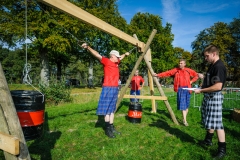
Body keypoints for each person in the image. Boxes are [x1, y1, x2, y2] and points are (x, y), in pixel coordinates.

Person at [81, 42, 129, 138]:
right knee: (107, 110)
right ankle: (107, 129)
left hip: (115, 88)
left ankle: (111, 127)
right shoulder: (106, 61)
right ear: (112, 56)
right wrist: (88, 47)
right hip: (108, 88)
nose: (118, 58)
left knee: (112, 109)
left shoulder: (116, 62)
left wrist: (125, 54)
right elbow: (97, 54)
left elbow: (121, 58)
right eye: (117, 56)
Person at [194, 45, 227, 158]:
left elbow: (218, 86)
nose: (205, 58)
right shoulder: (212, 66)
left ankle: (222, 149)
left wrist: (201, 90)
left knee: (217, 123)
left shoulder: (219, 66)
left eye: (207, 56)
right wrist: (203, 79)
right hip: (209, 97)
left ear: (214, 54)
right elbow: (211, 81)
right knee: (210, 120)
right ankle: (208, 140)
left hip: (214, 97)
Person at [153, 59, 198, 126]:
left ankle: (183, 118)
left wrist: (191, 81)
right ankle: (185, 121)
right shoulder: (176, 70)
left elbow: (196, 75)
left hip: (188, 89)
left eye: (181, 63)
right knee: (183, 105)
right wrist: (158, 75)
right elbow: (167, 73)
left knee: (186, 106)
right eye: (179, 63)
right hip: (180, 89)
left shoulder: (188, 70)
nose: (179, 64)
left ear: (184, 64)